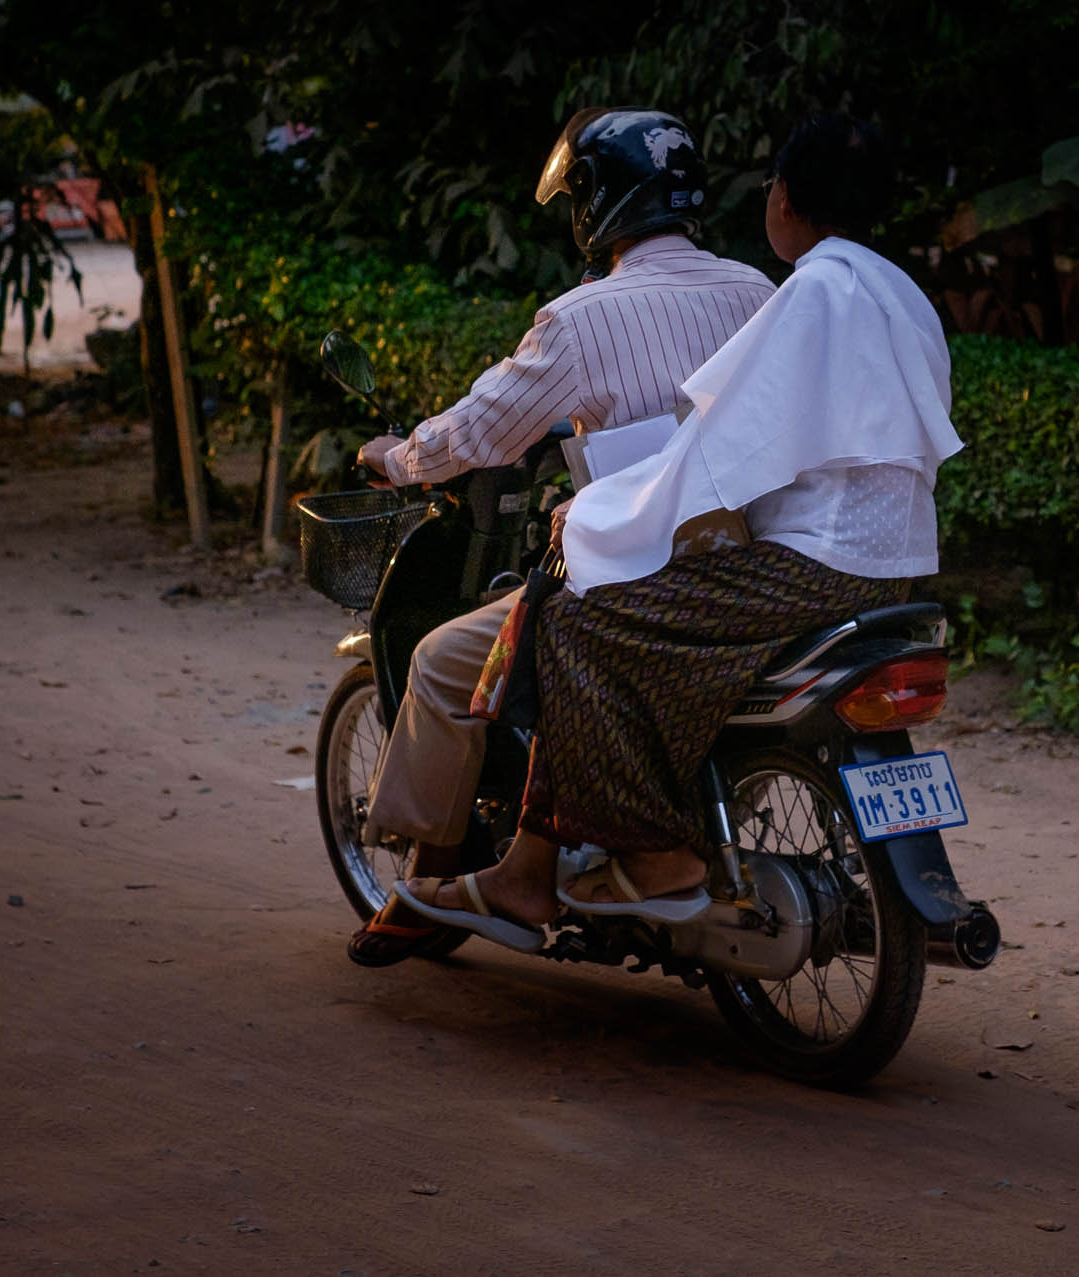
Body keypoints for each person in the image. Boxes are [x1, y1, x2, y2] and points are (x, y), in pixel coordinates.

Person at [394, 112, 965, 946]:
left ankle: (656, 853)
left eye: (774, 183)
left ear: (791, 203)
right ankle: (532, 867)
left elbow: (721, 451)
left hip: (812, 565)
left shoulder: (811, 292)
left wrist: (594, 512)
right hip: (891, 564)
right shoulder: (892, 291)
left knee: (575, 621)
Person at [347, 107, 778, 966]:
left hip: (631, 579)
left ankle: (457, 881)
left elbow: (480, 431)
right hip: (750, 572)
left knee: (444, 658)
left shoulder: (581, 319)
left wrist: (399, 457)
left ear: (598, 204)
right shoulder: (757, 293)